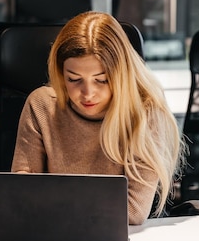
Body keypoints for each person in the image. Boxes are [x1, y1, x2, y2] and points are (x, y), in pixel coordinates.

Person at [11, 11, 186, 226]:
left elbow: (133, 211)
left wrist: (52, 199)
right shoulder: (41, 105)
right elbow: (21, 195)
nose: (87, 93)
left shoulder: (145, 112)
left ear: (121, 74)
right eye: (74, 79)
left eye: (101, 80)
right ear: (60, 73)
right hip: (53, 237)